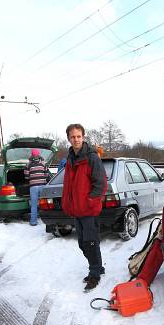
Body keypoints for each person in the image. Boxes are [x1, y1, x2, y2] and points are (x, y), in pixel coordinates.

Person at [61, 123, 107, 291]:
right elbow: (68, 184)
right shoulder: (70, 158)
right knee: (82, 243)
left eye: (78, 136)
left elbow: (101, 183)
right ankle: (98, 266)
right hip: (76, 210)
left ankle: (94, 273)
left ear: (83, 137)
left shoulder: (91, 157)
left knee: (90, 242)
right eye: (73, 137)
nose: (76, 139)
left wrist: (90, 201)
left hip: (88, 209)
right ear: (69, 138)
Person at [24, 148, 48, 226]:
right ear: (39, 154)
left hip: (33, 187)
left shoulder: (28, 165)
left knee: (34, 205)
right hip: (42, 186)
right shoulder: (43, 163)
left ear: (32, 155)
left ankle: (33, 222)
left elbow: (26, 177)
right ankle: (47, 220)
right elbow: (46, 175)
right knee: (44, 203)